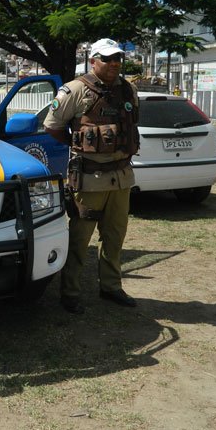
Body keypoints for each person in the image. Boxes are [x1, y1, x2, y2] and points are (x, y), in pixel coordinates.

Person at [44, 38, 140, 314]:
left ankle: (111, 287)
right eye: (108, 59)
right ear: (93, 61)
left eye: (118, 58)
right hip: (88, 179)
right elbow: (52, 126)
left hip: (121, 177)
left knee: (115, 236)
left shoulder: (128, 90)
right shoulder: (74, 90)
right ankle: (70, 292)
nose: (114, 64)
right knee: (79, 238)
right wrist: (78, 146)